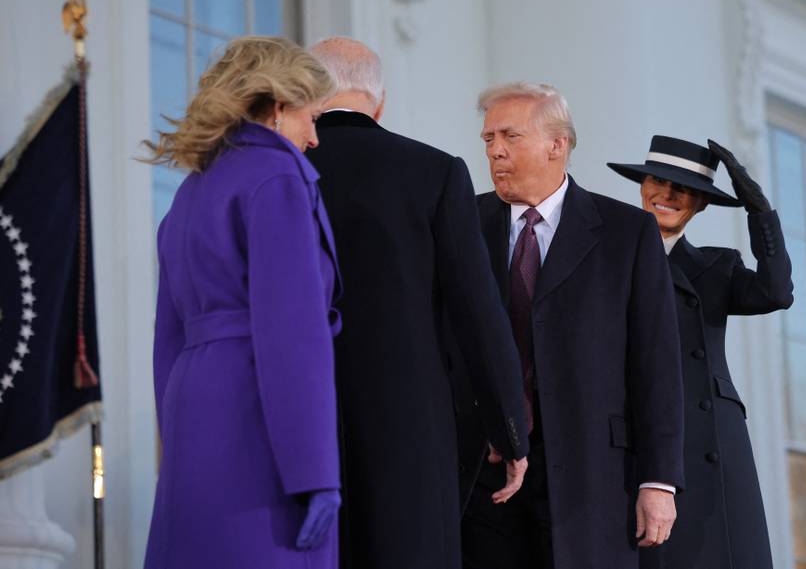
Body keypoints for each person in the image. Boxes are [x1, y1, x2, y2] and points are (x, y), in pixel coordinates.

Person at [304, 37, 530, 569]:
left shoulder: (279, 171)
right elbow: (478, 309)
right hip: (408, 427)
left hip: (300, 415)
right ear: (379, 102)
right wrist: (509, 429)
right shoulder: (434, 171)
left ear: (308, 96)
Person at [459, 82, 685, 569]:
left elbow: (656, 363)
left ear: (556, 144)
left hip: (595, 476)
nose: (495, 150)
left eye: (509, 136)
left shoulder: (627, 232)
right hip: (483, 472)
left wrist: (658, 480)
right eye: (488, 139)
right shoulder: (461, 223)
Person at [141, 37, 342, 569]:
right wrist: (315, 473)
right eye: (312, 117)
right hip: (260, 418)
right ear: (278, 107)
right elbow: (294, 334)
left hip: (194, 412)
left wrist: (176, 445)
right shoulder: (277, 177)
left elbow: (167, 341)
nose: (315, 138)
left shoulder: (190, 192)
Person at [608, 136, 793, 569]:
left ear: (702, 204)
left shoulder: (717, 266)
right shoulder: (607, 258)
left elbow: (776, 292)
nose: (667, 195)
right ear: (641, 186)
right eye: (658, 180)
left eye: (683, 188)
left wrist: (760, 212)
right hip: (634, 439)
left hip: (712, 444)